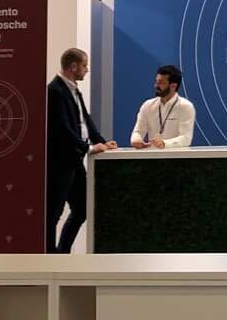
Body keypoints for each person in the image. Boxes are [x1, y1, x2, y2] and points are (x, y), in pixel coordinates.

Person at [46, 48, 115, 253]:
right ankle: (49, 257)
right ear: (73, 66)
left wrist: (102, 142)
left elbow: (85, 120)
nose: (87, 69)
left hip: (75, 161)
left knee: (83, 208)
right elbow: (62, 129)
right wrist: (89, 148)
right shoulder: (54, 91)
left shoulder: (73, 89)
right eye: (85, 65)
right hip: (60, 163)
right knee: (53, 214)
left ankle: (62, 252)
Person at [130, 65, 196, 150]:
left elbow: (186, 138)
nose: (156, 86)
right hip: (151, 155)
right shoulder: (147, 105)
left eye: (160, 83)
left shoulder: (186, 106)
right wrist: (136, 140)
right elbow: (138, 131)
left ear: (173, 86)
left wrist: (165, 143)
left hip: (176, 156)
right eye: (156, 81)